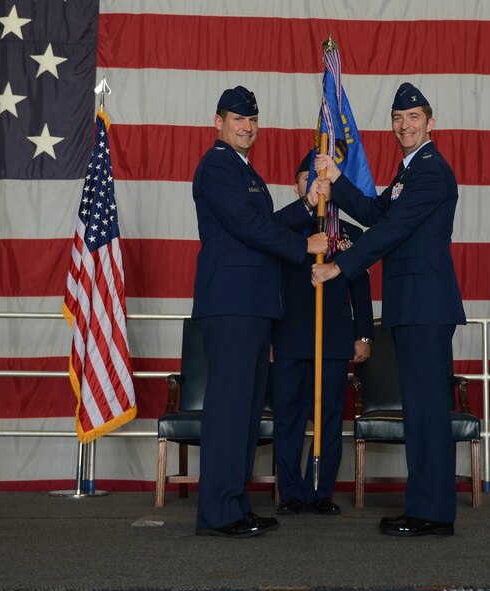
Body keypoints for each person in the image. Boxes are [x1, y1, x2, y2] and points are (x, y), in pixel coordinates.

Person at [309, 82, 466, 537]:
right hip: (412, 305)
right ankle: (424, 506)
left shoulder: (432, 171)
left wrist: (341, 266)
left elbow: (390, 230)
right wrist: (337, 181)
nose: (405, 125)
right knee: (419, 410)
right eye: (398, 118)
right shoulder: (408, 171)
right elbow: (378, 212)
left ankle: (433, 512)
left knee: (429, 411)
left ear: (430, 122)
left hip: (426, 306)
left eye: (414, 117)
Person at [191, 86, 328, 538]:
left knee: (246, 413)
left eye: (252, 120)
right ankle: (217, 512)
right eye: (237, 119)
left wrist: (307, 205)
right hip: (231, 304)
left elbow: (263, 224)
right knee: (229, 410)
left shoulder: (242, 169)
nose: (246, 127)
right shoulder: (216, 166)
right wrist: (303, 244)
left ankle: (233, 503)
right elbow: (250, 228)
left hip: (251, 306)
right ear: (218, 122)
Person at [270, 151, 374, 516]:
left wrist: (363, 334)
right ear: (296, 185)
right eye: (306, 179)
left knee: (330, 416)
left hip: (332, 338)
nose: (314, 185)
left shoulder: (349, 235)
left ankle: (322, 491)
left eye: (320, 180)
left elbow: (360, 288)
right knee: (289, 417)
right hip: (288, 337)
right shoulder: (281, 231)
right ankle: (293, 491)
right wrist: (268, 335)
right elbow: (270, 284)